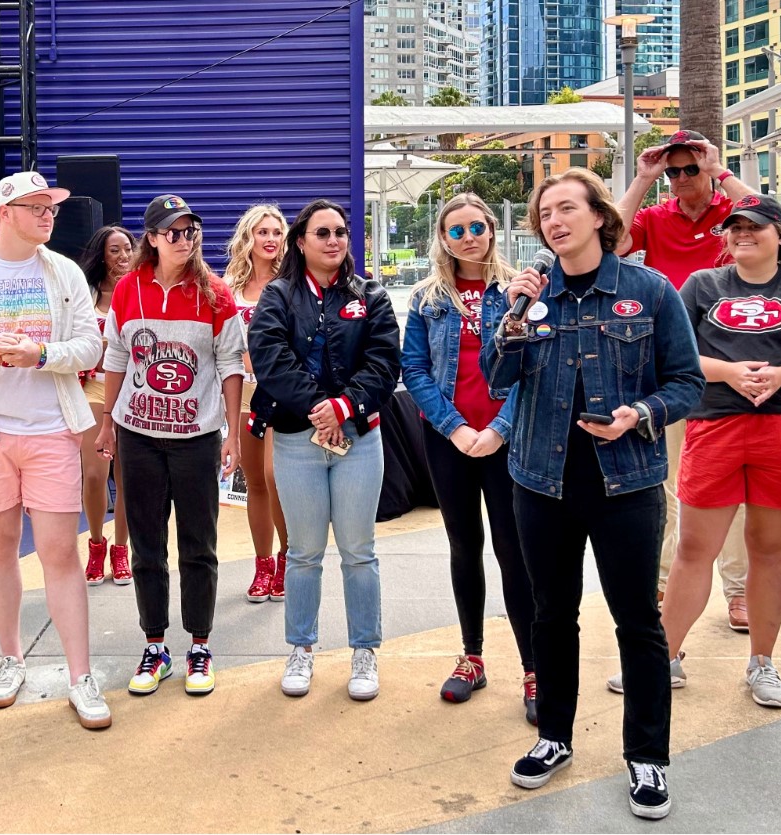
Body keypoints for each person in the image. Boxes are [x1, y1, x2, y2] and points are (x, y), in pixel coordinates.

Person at [482, 169, 705, 819]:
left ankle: (648, 757)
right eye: (543, 213)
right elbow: (500, 380)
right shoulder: (528, 294)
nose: (553, 220)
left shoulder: (650, 290)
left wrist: (639, 413)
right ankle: (554, 736)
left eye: (565, 208)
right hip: (540, 481)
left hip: (628, 480)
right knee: (552, 614)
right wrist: (514, 314)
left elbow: (687, 383)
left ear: (599, 216)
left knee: (638, 620)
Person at [653, 194, 781, 709]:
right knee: (694, 547)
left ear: (778, 234)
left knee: (768, 549)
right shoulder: (702, 286)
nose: (743, 235)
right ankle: (665, 659)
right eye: (734, 228)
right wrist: (730, 372)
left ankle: (762, 662)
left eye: (755, 227)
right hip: (715, 423)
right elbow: (672, 351)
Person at [0, 171, 109, 730]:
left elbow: (90, 343)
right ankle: (11, 659)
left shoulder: (66, 272)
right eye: (34, 207)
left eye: (50, 206)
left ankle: (81, 676)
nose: (47, 215)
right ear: (6, 212)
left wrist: (40, 353)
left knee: (59, 552)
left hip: (52, 428)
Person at [248, 199, 400, 702]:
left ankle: (364, 651)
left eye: (340, 232)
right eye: (322, 233)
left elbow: (384, 363)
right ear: (301, 242)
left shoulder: (370, 296)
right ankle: (301, 649)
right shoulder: (277, 295)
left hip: (359, 439)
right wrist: (321, 409)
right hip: (296, 441)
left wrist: (344, 407)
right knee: (304, 554)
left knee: (359, 553)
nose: (334, 240)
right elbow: (270, 358)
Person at [94, 194, 244, 699]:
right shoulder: (128, 291)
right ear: (152, 238)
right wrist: (107, 423)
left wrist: (233, 435)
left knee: (199, 546)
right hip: (137, 437)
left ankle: (200, 646)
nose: (184, 240)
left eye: (191, 231)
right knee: (146, 546)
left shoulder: (216, 293)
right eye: (173, 232)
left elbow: (230, 365)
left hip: (196, 439)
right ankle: (154, 645)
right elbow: (116, 354)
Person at [400, 193, 537, 722]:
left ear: (492, 230)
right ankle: (472, 656)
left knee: (513, 550)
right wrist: (456, 428)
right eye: (455, 231)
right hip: (449, 441)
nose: (467, 238)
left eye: (475, 227)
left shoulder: (519, 291)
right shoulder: (428, 298)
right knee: (464, 545)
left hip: (506, 439)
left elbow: (532, 368)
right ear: (442, 238)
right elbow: (414, 371)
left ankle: (532, 666)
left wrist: (499, 429)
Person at [616, 129, 758, 631]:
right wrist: (643, 177)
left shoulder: (733, 215)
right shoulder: (657, 218)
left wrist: (719, 170)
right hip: (672, 368)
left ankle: (738, 591)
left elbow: (770, 219)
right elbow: (611, 237)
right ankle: (661, 582)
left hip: (734, 364)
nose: (678, 179)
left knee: (735, 489)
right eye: (671, 171)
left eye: (688, 169)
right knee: (670, 483)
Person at [224, 205, 290, 603]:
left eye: (276, 232)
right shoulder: (229, 285)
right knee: (255, 483)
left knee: (275, 476)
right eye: (261, 232)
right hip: (243, 395)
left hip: (281, 394)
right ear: (248, 238)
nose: (269, 239)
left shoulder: (292, 282)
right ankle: (262, 564)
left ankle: (288, 558)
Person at [77, 225, 135, 587]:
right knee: (95, 474)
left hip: (132, 392)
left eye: (128, 249)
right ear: (102, 256)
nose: (123, 256)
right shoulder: (84, 295)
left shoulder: (140, 292)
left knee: (126, 477)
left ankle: (122, 551)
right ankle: (97, 544)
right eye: (115, 250)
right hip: (92, 390)